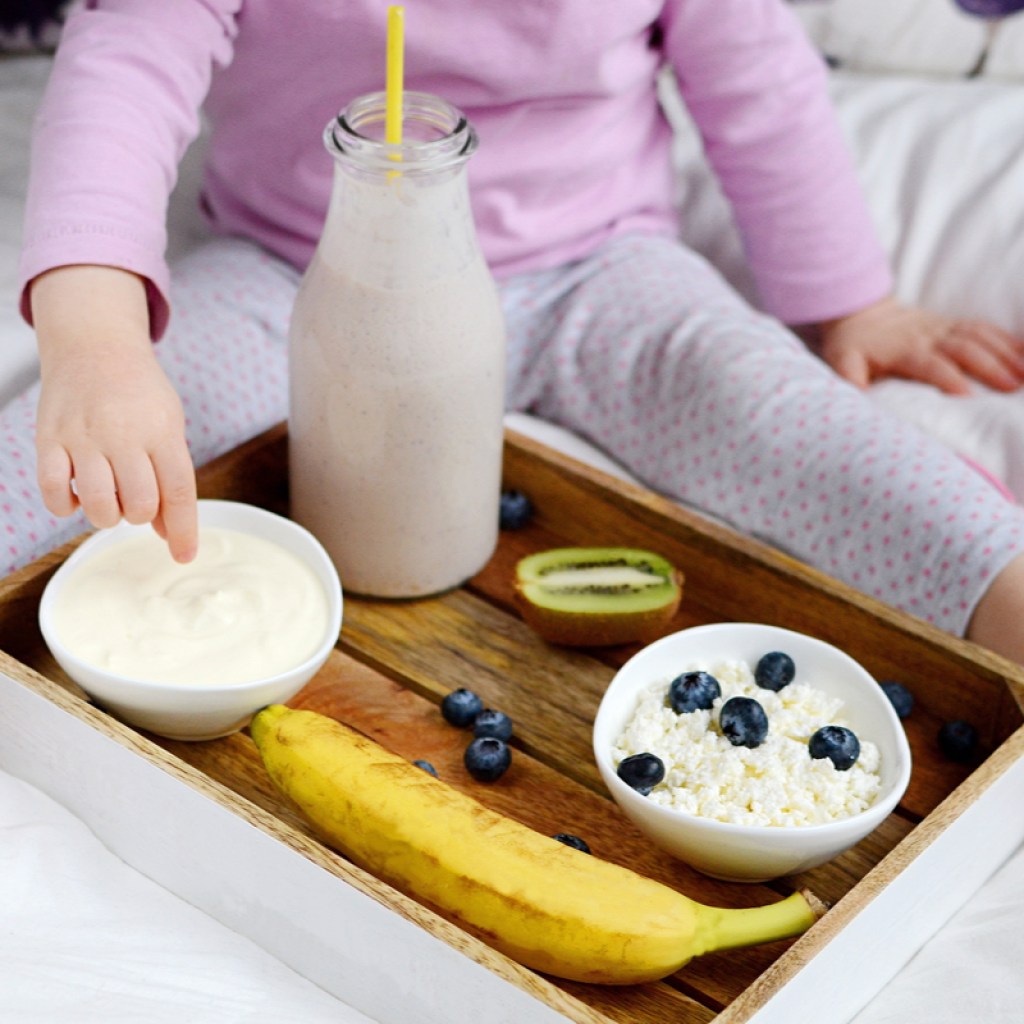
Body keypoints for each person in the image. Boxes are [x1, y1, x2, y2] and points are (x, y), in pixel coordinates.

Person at [10, 0, 1024, 664]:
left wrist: (849, 300)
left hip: (598, 269)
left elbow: (757, 74)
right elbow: (125, 69)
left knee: (781, 419)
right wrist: (96, 343)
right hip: (295, 272)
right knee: (95, 453)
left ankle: (998, 580)